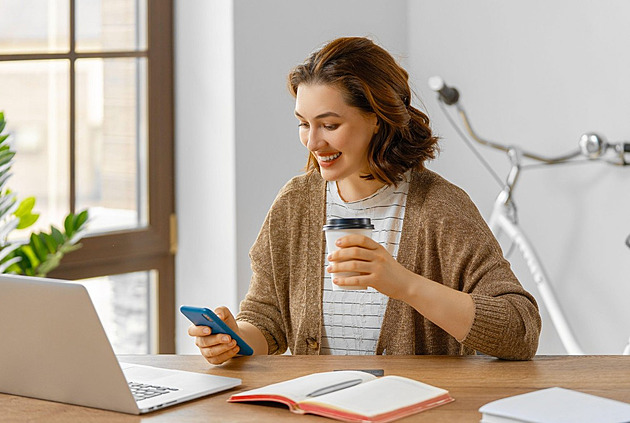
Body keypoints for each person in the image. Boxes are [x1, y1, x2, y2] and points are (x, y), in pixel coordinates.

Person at [188, 36, 541, 363]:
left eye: (328, 125)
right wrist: (234, 338)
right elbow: (267, 319)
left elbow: (521, 331)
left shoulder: (438, 207)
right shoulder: (295, 203)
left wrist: (405, 285)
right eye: (303, 124)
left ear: (376, 117)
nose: (312, 142)